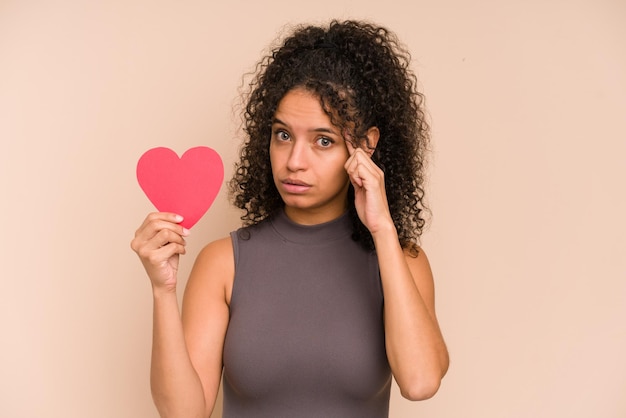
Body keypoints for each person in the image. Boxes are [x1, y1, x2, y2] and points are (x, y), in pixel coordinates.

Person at [131, 19, 449, 418]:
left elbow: (420, 383)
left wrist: (383, 230)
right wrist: (162, 291)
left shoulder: (402, 263)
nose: (294, 162)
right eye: (283, 135)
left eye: (323, 140)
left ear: (366, 146)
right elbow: (184, 413)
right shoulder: (223, 262)